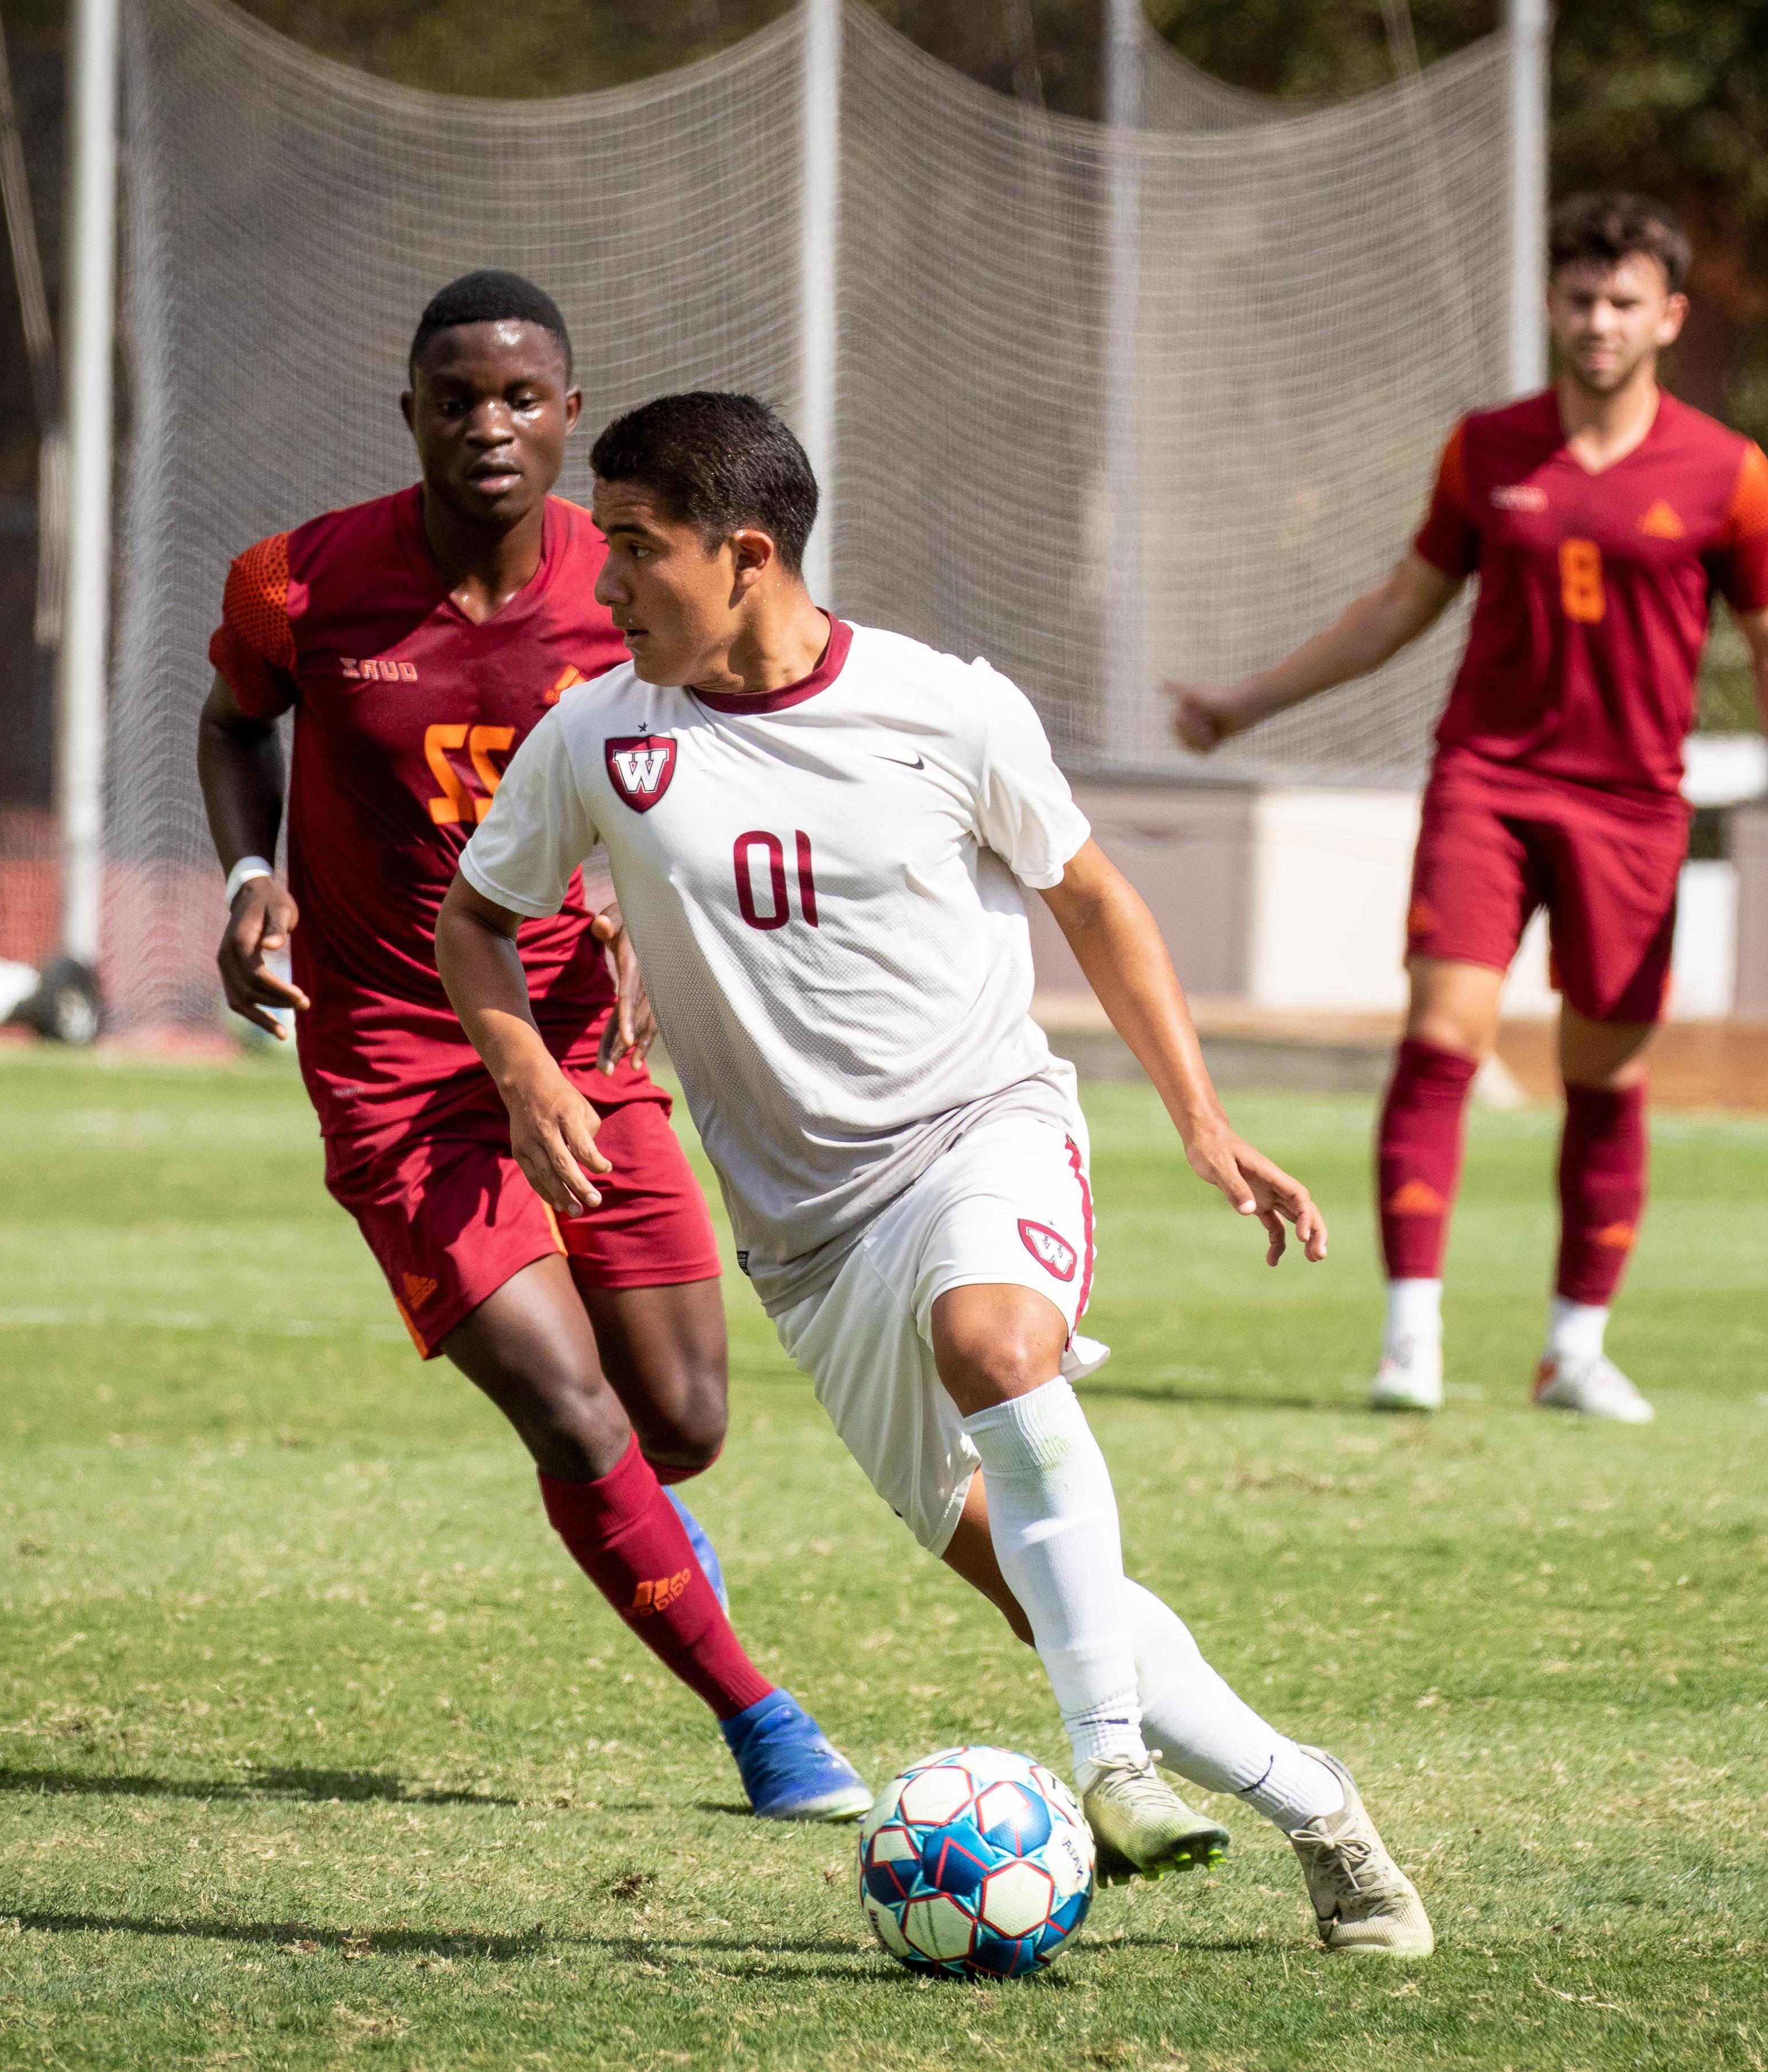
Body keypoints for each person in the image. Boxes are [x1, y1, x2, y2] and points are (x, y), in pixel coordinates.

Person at [438, 391, 1434, 1957]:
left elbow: (1094, 900)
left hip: (982, 1130)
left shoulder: (948, 708)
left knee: (996, 1344)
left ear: (748, 555)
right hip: (813, 1252)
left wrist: (1201, 1120)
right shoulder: (600, 736)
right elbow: (474, 919)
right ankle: (1322, 1811)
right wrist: (526, 1069)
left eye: (634, 549)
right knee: (1056, 1589)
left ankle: (1102, 1755)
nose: (602, 586)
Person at [195, 272, 869, 1822]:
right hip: (395, 1070)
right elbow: (236, 724)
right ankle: (767, 1729)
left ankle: (624, 1519)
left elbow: (710, 756)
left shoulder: (634, 593)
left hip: (578, 1049)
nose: (486, 425)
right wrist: (250, 878)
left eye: (519, 398)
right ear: (410, 410)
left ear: (570, 416)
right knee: (567, 1408)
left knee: (681, 1422)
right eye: (455, 396)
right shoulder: (295, 584)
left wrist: (644, 901)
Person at [1164, 193, 1768, 1422]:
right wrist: (1241, 706)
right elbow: (1394, 609)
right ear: (1549, 304)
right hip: (1489, 781)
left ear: (1669, 318)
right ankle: (1407, 1339)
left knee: (1604, 1077)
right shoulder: (1486, 450)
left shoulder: (1729, 474)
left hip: (1635, 809)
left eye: (1624, 302)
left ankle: (1573, 1349)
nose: (1598, 322)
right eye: (1580, 299)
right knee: (1442, 1042)